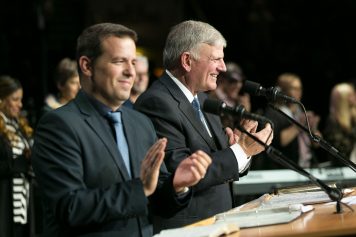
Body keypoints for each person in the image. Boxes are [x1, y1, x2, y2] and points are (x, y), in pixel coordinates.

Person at [31, 23, 212, 237]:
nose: (130, 72)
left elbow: (156, 202)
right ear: (87, 66)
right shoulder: (58, 125)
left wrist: (177, 185)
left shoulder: (141, 123)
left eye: (133, 62)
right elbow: (70, 207)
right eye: (119, 61)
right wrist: (140, 189)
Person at [134, 20, 273, 231]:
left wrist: (238, 151)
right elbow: (181, 172)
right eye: (216, 59)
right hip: (189, 229)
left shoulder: (202, 100)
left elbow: (222, 167)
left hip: (217, 224)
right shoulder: (157, 103)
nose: (223, 67)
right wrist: (239, 150)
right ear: (187, 61)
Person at [262, 73, 322, 169]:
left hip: (305, 166)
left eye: (300, 88)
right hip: (283, 169)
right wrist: (299, 125)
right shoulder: (274, 112)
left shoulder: (300, 110)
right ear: (282, 90)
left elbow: (317, 144)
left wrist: (313, 127)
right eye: (294, 88)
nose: (299, 92)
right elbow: (279, 141)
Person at [0, 75, 35, 236]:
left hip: (22, 198)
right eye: (15, 99)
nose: (20, 105)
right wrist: (19, 164)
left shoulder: (17, 125)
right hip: (4, 200)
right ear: (1, 100)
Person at [209, 61, 251, 128]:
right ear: (222, 79)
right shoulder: (212, 98)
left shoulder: (238, 103)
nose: (238, 85)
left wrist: (245, 113)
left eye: (240, 81)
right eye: (233, 81)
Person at [323, 82, 356, 165]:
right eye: (351, 95)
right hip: (344, 165)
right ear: (343, 98)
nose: (355, 97)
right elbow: (339, 150)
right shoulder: (333, 121)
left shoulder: (353, 116)